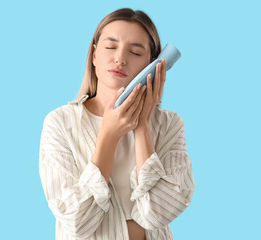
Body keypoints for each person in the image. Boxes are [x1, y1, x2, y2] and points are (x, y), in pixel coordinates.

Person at [39, 8, 195, 240]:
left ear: (153, 65)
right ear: (93, 55)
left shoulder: (170, 125)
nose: (120, 58)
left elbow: (158, 213)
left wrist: (142, 125)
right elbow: (75, 222)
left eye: (134, 52)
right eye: (110, 47)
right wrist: (109, 136)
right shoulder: (60, 123)